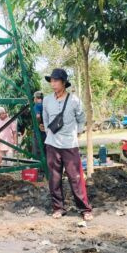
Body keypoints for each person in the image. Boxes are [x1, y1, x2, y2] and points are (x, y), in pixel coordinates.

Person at [42, 68, 92, 221]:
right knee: (54, 177)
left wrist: (78, 132)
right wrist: (50, 133)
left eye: (56, 80)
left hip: (69, 144)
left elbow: (81, 118)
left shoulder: (74, 100)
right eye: (51, 80)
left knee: (75, 177)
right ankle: (58, 208)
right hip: (52, 144)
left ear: (64, 83)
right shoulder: (47, 100)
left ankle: (84, 208)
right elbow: (45, 118)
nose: (53, 84)